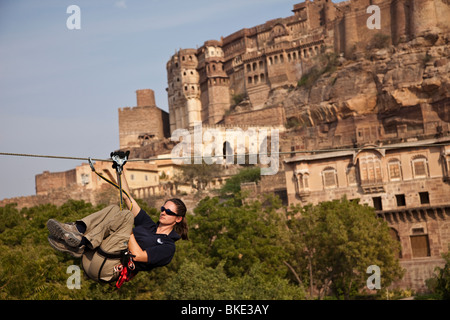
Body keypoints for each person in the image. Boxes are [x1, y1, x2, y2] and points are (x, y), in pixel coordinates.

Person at [46, 168, 188, 286]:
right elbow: (127, 198)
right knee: (115, 209)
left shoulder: (168, 247)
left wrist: (128, 231)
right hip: (91, 257)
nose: (163, 212)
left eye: (168, 212)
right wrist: (120, 170)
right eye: (163, 208)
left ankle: (81, 243)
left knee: (126, 216)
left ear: (178, 219)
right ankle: (77, 231)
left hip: (107, 268)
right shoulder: (148, 225)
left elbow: (138, 256)